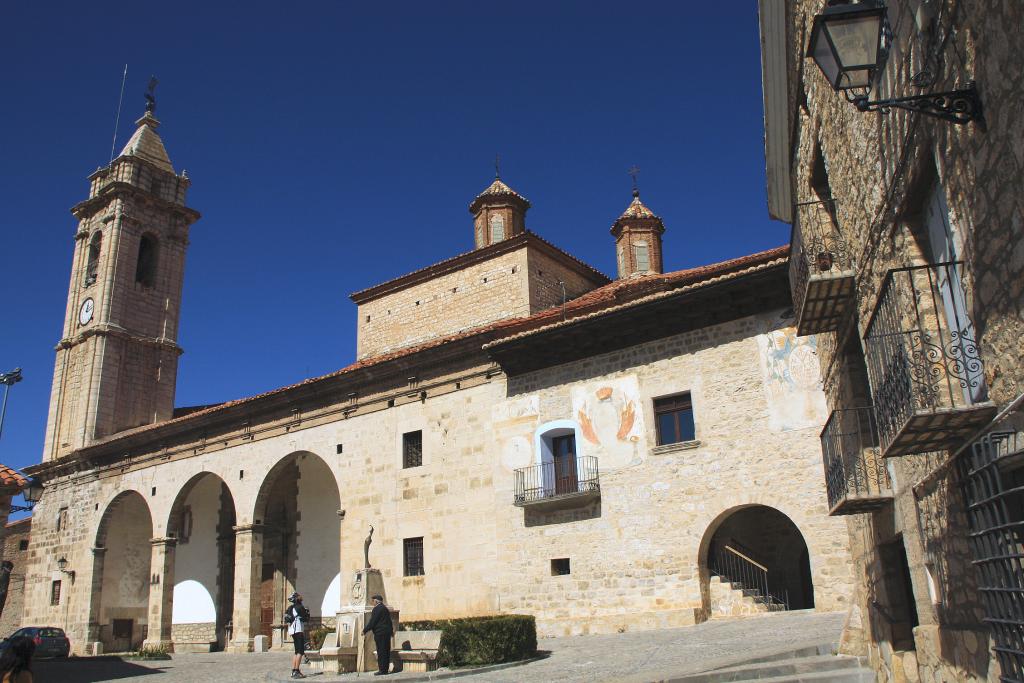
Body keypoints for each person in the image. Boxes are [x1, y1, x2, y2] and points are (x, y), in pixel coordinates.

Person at [362, 594, 393, 676]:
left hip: (380, 633)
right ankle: (385, 669)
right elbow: (389, 621)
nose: (372, 603)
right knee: (386, 651)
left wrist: (365, 630)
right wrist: (391, 631)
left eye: (373, 601)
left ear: (376, 601)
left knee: (381, 651)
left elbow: (373, 622)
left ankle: (382, 670)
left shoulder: (376, 609)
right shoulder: (385, 608)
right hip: (386, 633)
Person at [285, 592, 311, 679]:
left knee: (296, 652)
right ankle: (296, 671)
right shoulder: (299, 607)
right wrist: (307, 612)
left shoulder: (290, 608)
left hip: (292, 630)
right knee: (300, 651)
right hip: (298, 630)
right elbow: (306, 618)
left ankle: (293, 670)